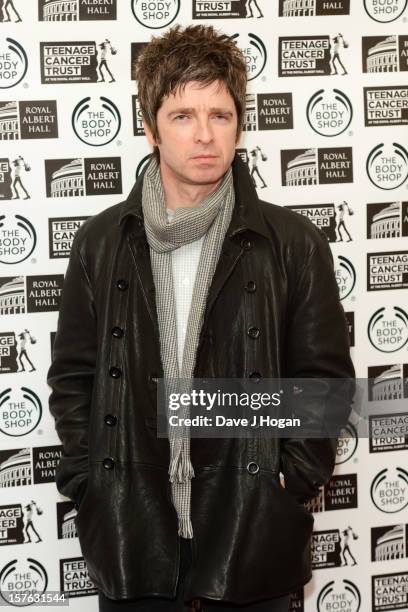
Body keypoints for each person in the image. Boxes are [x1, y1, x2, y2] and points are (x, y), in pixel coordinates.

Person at [47, 25, 355, 612]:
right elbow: (73, 381)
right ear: (150, 128)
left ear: (240, 125)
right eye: (183, 115)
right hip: (131, 531)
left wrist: (282, 483)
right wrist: (92, 485)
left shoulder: (291, 243)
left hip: (251, 532)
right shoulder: (100, 243)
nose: (205, 135)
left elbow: (325, 387)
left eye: (220, 114)